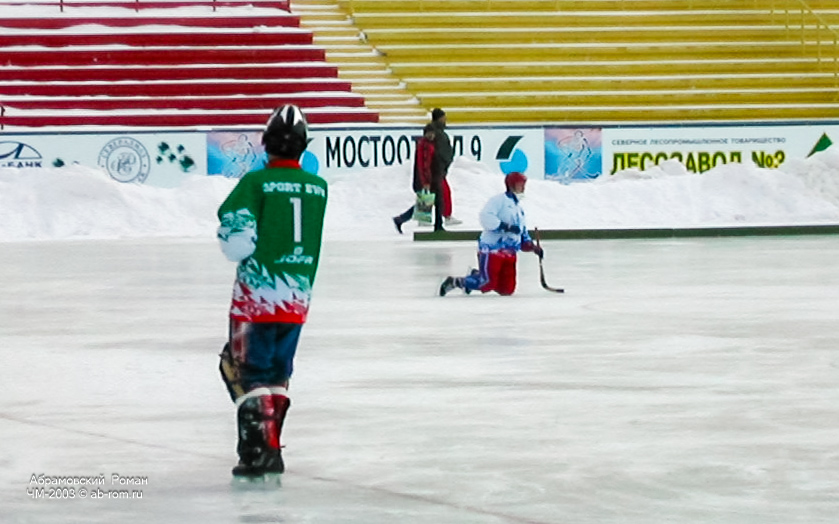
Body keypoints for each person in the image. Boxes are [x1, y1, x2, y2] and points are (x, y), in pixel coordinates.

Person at [216, 104, 328, 478]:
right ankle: (272, 446)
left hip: (256, 298)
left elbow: (236, 243)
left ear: (266, 143)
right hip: (297, 297)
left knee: (242, 370)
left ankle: (260, 451)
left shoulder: (255, 184)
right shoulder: (318, 188)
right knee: (278, 373)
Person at [439, 171, 543, 297]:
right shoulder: (498, 201)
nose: (523, 188)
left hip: (510, 252)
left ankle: (476, 276)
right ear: (511, 185)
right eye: (520, 185)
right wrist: (505, 227)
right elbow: (485, 216)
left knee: (507, 290)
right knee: (487, 283)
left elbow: (522, 232)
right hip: (492, 248)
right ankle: (455, 282)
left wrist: (532, 247)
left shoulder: (518, 209)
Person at [392, 123, 436, 234]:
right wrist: (426, 181)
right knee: (425, 201)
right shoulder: (425, 146)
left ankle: (402, 219)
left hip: (423, 178)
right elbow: (424, 165)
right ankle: (402, 219)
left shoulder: (425, 144)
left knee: (425, 201)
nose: (431, 135)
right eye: (429, 133)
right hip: (423, 179)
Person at [429, 108, 460, 230]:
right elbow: (442, 152)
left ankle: (423, 216)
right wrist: (444, 164)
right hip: (437, 169)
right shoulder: (439, 134)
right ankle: (447, 216)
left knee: (429, 193)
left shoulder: (433, 132)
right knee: (443, 192)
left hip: (435, 168)